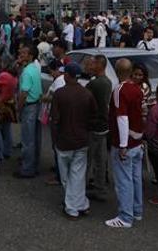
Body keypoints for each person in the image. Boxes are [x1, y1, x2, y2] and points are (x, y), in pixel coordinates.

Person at [50, 62, 97, 220]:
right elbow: (93, 117)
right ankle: (81, 203)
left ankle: (72, 208)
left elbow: (55, 119)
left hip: (64, 140)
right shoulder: (87, 94)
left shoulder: (59, 94)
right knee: (77, 175)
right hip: (81, 139)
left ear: (67, 75)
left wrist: (55, 138)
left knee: (66, 176)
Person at [105, 58, 144, 228]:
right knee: (135, 178)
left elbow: (122, 117)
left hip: (125, 142)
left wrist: (122, 145)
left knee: (124, 180)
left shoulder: (120, 90)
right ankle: (136, 210)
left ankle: (125, 217)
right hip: (137, 140)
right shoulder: (137, 89)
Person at [83, 54, 112, 201]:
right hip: (103, 126)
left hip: (94, 126)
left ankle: (81, 188)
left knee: (87, 159)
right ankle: (100, 188)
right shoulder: (106, 82)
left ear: (100, 65)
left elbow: (85, 100)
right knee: (100, 159)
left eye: (93, 64)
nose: (90, 66)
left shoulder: (96, 84)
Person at [15, 45, 42, 178]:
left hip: (29, 106)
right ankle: (34, 165)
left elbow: (23, 93)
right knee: (35, 138)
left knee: (27, 140)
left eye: (24, 52)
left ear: (31, 55)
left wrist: (18, 109)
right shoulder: (34, 68)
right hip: (36, 105)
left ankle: (27, 169)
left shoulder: (27, 71)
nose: (21, 53)